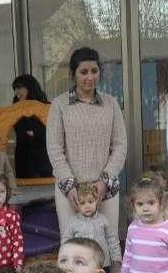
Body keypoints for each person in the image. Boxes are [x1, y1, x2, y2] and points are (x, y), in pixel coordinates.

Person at [47, 46, 127, 250]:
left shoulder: (111, 104)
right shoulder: (59, 104)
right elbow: (55, 148)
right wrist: (70, 185)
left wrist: (104, 181)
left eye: (94, 71)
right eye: (83, 72)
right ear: (73, 74)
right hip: (70, 191)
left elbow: (120, 146)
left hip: (104, 189)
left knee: (109, 245)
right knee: (72, 246)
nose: (90, 77)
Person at [60, 181, 122, 273]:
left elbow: (112, 239)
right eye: (82, 203)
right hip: (82, 264)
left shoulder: (102, 220)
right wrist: (64, 259)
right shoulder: (74, 222)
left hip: (102, 263)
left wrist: (116, 256)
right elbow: (66, 240)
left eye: (90, 201)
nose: (87, 206)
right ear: (77, 204)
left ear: (96, 201)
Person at [12, 74, 52, 178]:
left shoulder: (46, 107)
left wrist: (33, 133)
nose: (17, 92)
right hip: (24, 158)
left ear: (30, 87)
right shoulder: (15, 109)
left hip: (44, 157)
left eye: (20, 87)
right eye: (15, 88)